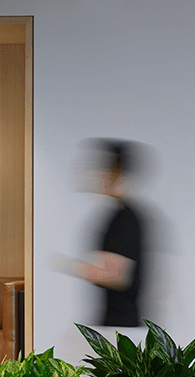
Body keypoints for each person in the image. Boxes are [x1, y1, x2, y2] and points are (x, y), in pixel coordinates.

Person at [58, 140, 147, 327]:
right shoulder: (122, 216)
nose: (98, 177)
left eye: (102, 171)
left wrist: (68, 265)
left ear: (114, 174)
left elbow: (115, 275)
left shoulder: (124, 219)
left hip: (121, 326)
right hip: (116, 323)